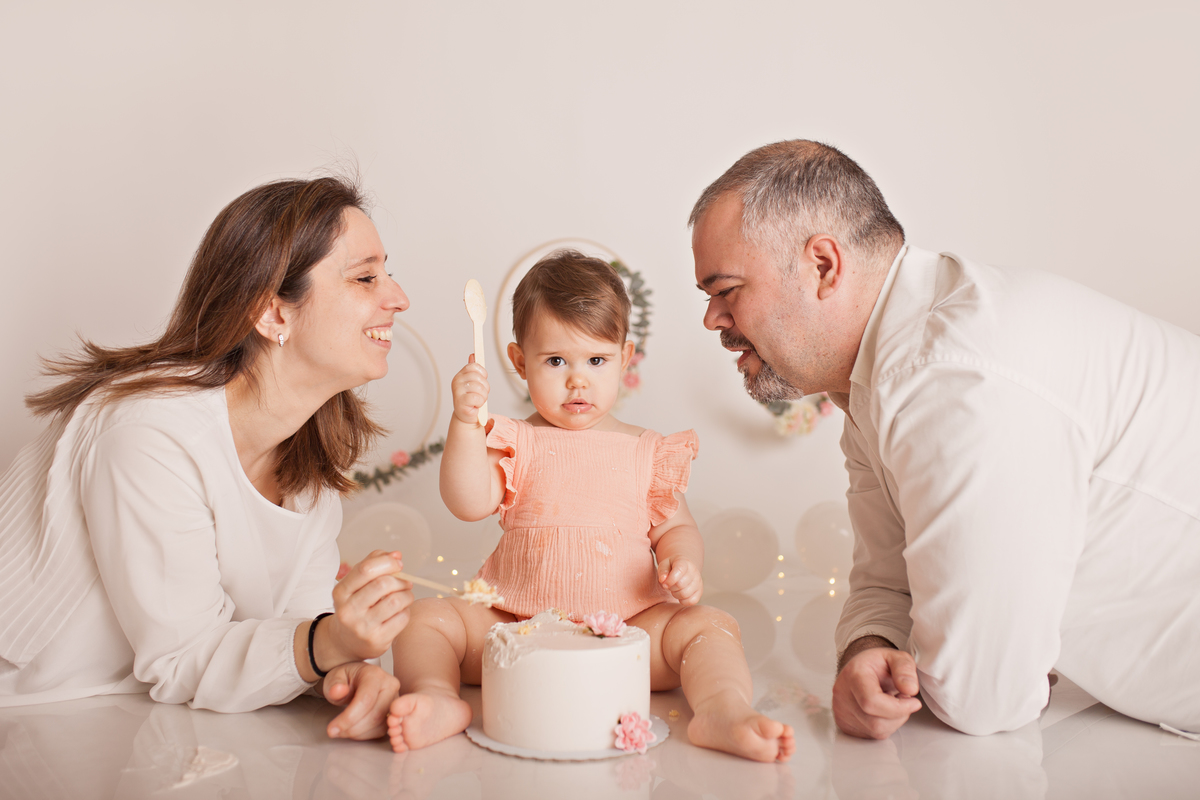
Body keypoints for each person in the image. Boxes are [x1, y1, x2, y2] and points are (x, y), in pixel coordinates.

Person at [689, 140, 1200, 739]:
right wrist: (866, 650)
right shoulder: (879, 375)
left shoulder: (951, 378)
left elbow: (982, 697)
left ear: (823, 265)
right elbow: (886, 582)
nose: (712, 319)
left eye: (726, 290)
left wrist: (937, 668)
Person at [0, 176, 416, 740]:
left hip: (127, 724)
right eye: (366, 277)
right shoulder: (149, 431)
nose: (398, 298)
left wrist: (347, 672)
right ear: (273, 315)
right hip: (27, 720)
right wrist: (329, 644)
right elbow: (184, 658)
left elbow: (298, 629)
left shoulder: (307, 470)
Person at [385, 250, 796, 762]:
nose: (577, 380)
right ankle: (437, 697)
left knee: (709, 628)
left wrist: (683, 561)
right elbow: (468, 502)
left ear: (625, 358)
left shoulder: (647, 450)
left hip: (630, 633)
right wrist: (465, 425)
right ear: (519, 363)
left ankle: (721, 708)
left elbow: (676, 528)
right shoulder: (517, 441)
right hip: (514, 627)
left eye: (596, 361)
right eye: (556, 361)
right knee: (425, 619)